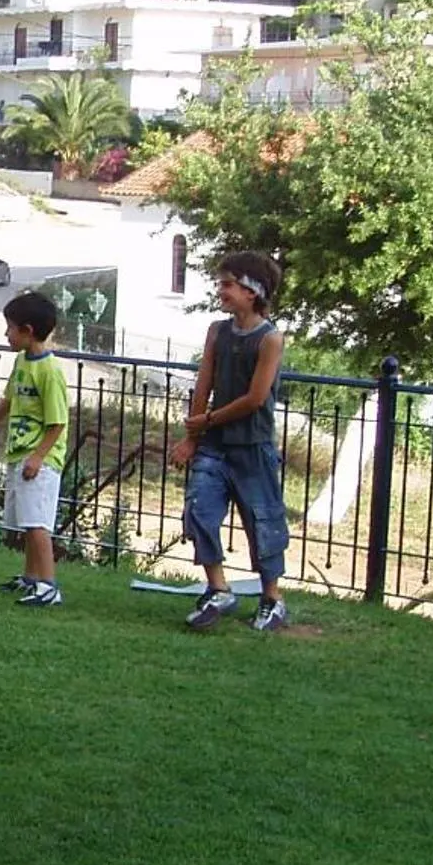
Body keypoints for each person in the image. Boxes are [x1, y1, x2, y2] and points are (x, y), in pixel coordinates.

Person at [169, 252, 291, 633]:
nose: (220, 290)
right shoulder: (217, 331)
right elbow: (204, 382)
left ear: (252, 292)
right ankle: (218, 588)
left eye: (228, 284)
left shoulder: (270, 339)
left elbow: (256, 398)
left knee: (262, 523)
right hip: (215, 446)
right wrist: (192, 437)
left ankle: (272, 598)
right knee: (199, 511)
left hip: (252, 447)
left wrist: (205, 420)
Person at [0, 289, 69, 608]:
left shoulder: (50, 372)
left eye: (10, 328)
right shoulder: (23, 361)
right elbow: (10, 401)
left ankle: (49, 586)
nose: (6, 334)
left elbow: (58, 422)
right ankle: (31, 578)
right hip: (18, 452)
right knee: (26, 521)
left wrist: (38, 457)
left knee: (37, 523)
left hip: (40, 458)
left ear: (28, 330)